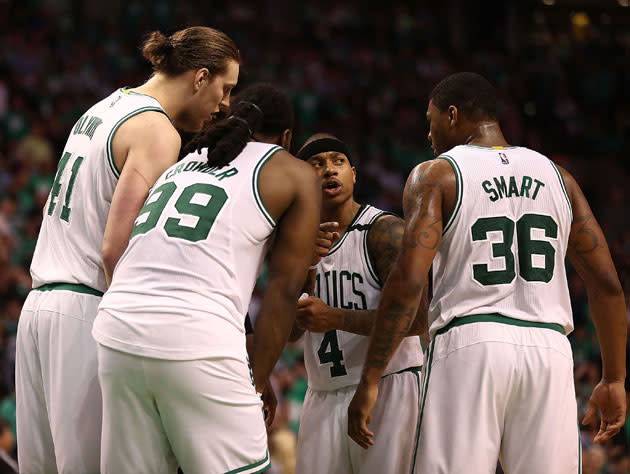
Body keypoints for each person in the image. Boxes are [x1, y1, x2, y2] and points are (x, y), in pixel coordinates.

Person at [348, 72, 627, 473]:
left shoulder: (437, 174)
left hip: (470, 343)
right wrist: (614, 378)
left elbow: (408, 281)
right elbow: (606, 285)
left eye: (431, 121)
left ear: (453, 115)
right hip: (548, 349)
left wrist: (371, 377)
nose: (428, 135)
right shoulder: (558, 176)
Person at [15, 26, 241, 473]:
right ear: (199, 77)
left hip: (38, 310)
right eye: (225, 88)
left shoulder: (104, 106)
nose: (226, 104)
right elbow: (114, 249)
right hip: (86, 312)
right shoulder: (158, 130)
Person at [92, 84, 320, 473]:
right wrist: (259, 381)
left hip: (116, 329)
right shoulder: (293, 172)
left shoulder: (185, 160)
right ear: (285, 139)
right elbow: (282, 291)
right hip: (195, 333)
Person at [291, 134, 424, 474]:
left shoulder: (384, 231)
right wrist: (305, 270)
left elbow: (419, 319)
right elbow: (290, 333)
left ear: (354, 173)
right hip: (322, 391)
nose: (328, 170)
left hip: (388, 386)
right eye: (317, 164)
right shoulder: (295, 243)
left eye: (337, 161)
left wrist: (334, 317)